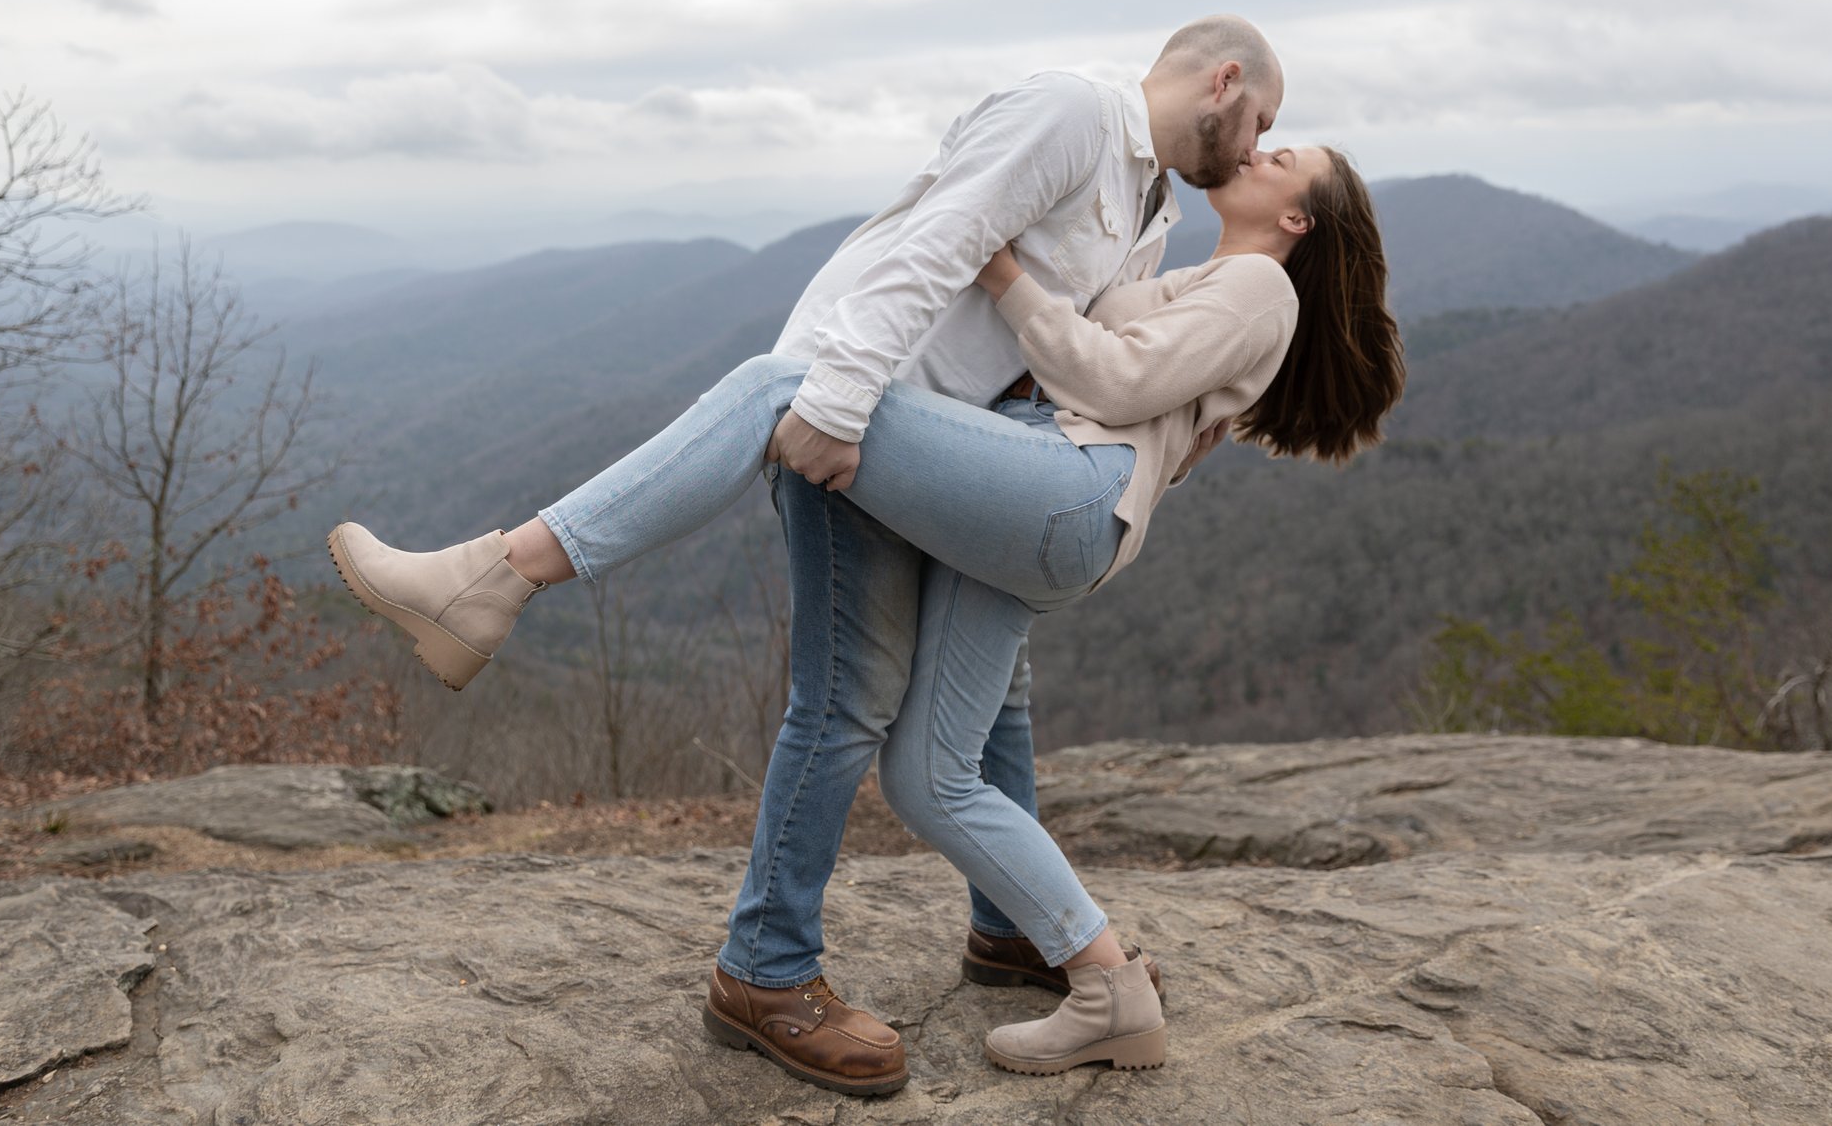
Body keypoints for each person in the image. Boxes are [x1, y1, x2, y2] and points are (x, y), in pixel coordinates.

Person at [327, 141, 1406, 1086]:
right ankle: (1095, 971)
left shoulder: (1263, 288)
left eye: (1282, 156)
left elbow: (1112, 381)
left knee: (780, 386)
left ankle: (495, 572)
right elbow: (1123, 363)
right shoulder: (1215, 275)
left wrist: (1003, 273)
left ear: (1298, 216)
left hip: (1066, 487)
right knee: (930, 774)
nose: (1261, 152)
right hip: (1052, 496)